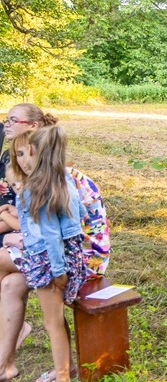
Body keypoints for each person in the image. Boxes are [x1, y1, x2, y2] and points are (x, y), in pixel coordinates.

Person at [7, 126, 87, 382]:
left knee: (52, 323)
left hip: (50, 261)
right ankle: (64, 370)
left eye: (23, 153)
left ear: (33, 151)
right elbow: (81, 213)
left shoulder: (35, 188)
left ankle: (62, 376)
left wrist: (58, 270)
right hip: (69, 255)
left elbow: (51, 235)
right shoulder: (65, 180)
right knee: (55, 320)